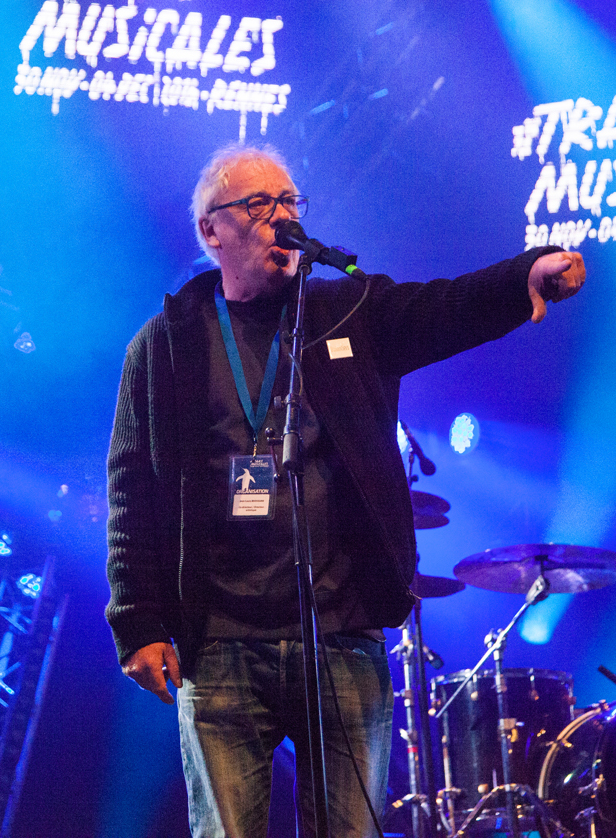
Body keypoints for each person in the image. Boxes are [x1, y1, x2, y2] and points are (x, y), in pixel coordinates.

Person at [104, 144, 586, 838]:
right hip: (220, 646)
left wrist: (523, 276)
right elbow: (130, 488)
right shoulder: (163, 346)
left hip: (339, 636)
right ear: (213, 232)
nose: (282, 218)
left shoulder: (347, 311)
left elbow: (443, 306)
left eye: (291, 202)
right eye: (260, 205)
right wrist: (139, 623)